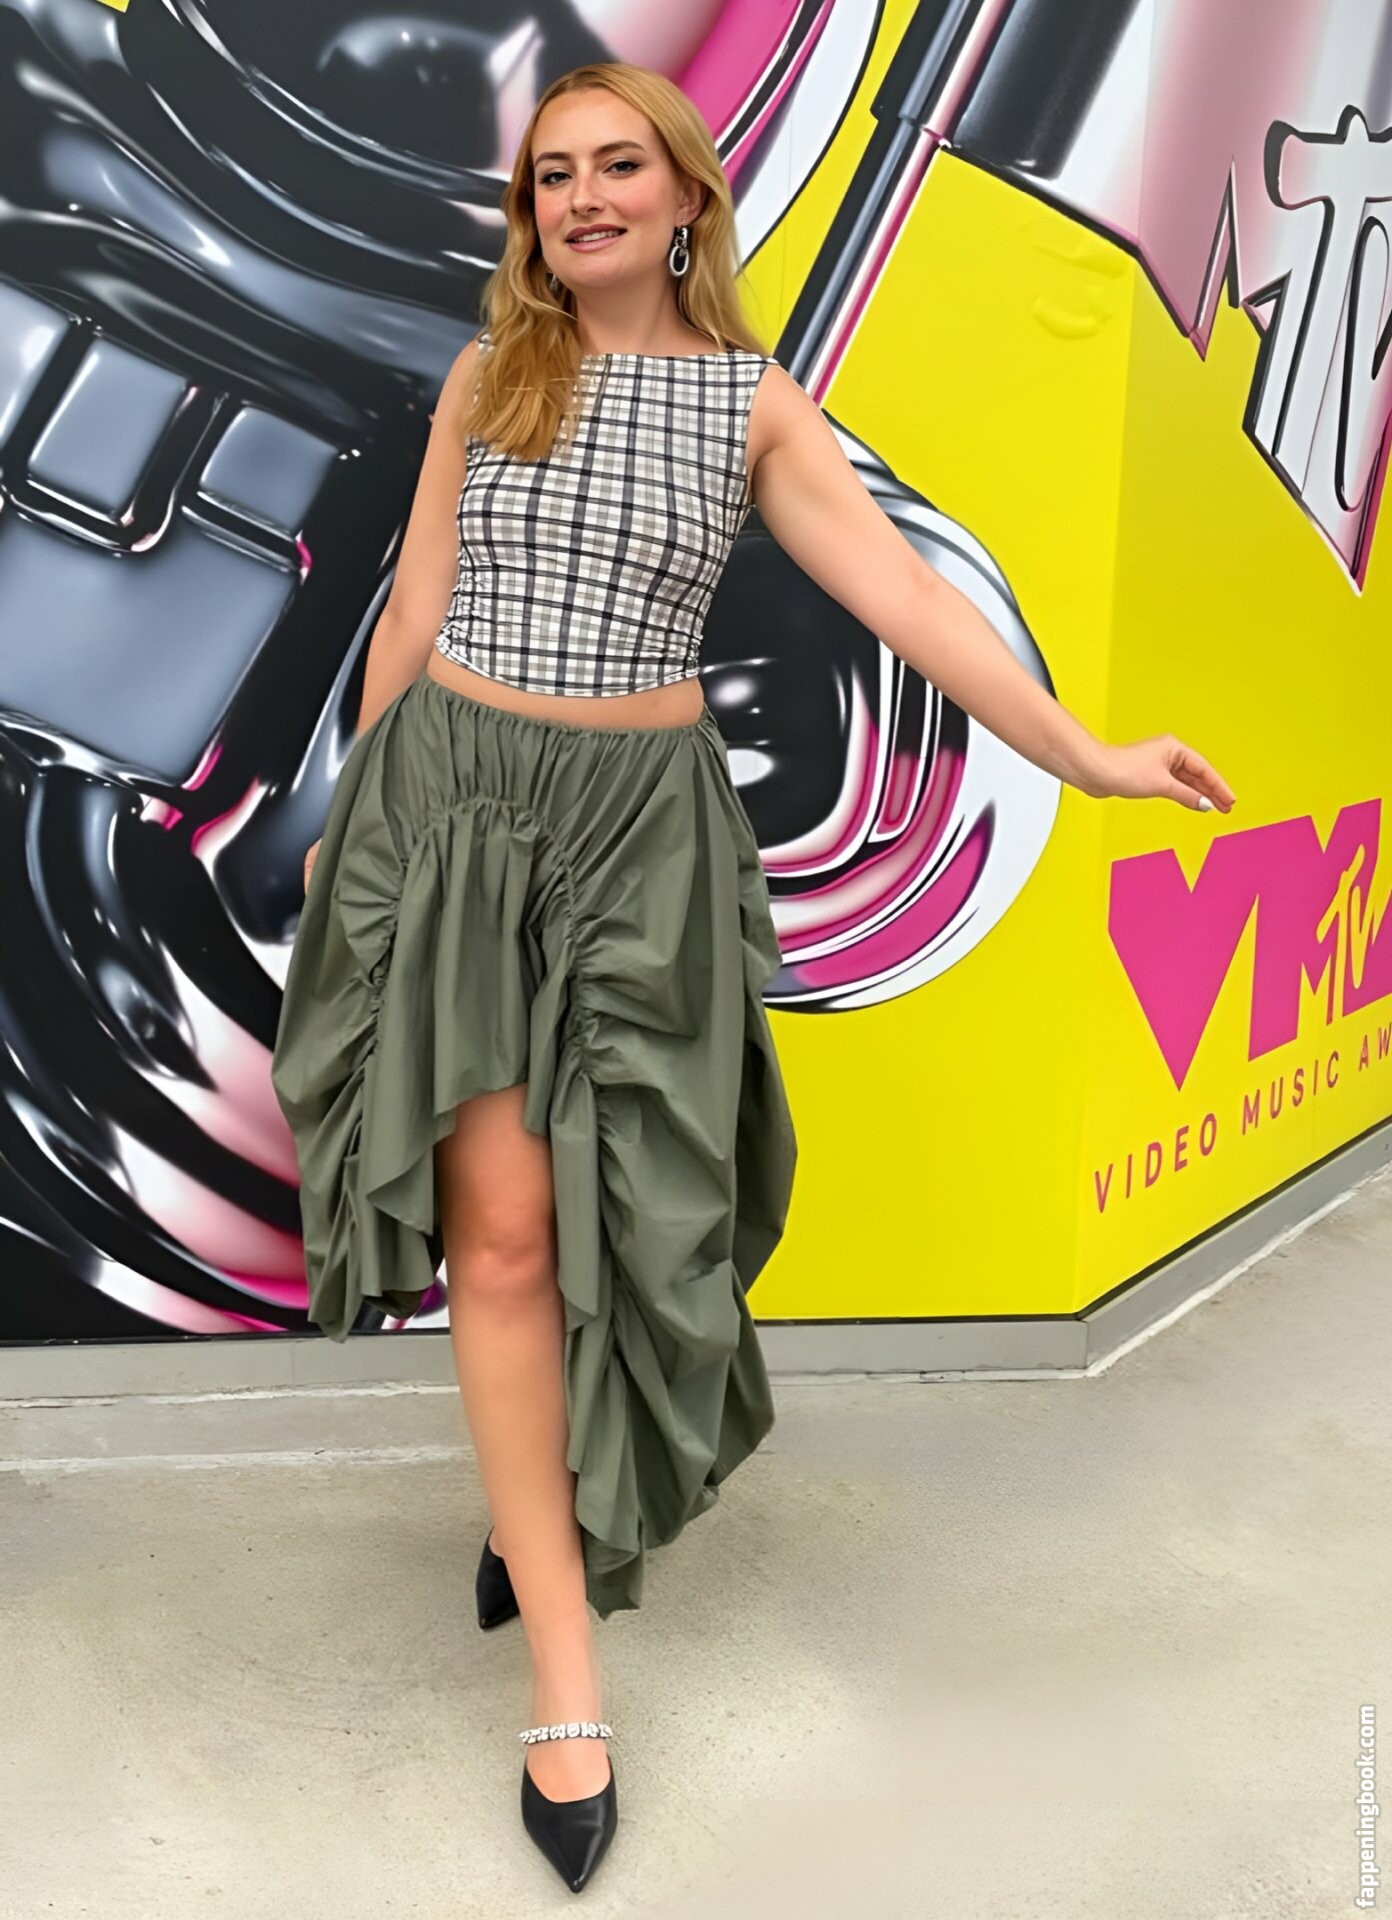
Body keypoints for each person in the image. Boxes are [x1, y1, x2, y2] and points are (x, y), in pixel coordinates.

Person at [271, 59, 1237, 1898]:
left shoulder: (751, 404)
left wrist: (1089, 754)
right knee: (501, 1242)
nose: (581, 197)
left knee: (638, 1218)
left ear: (686, 194)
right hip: (451, 813)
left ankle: (548, 1514)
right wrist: (349, 826)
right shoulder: (489, 380)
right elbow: (414, 606)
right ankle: (565, 1670)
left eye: (616, 165)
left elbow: (911, 605)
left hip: (636, 840)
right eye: (552, 175)